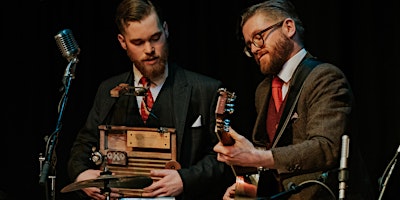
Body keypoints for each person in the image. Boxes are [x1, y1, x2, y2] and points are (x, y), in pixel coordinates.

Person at [66, 0, 234, 199]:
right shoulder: (108, 90)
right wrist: (82, 174)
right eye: (138, 42)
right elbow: (84, 144)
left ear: (166, 30)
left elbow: (225, 156)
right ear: (122, 42)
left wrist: (185, 179)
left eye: (156, 38)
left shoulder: (205, 89)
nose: (149, 49)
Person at [213, 0, 374, 199]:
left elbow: (326, 147)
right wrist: (245, 189)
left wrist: (257, 157)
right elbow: (265, 155)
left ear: (288, 27)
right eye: (249, 45)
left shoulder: (325, 77)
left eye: (259, 37)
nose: (254, 49)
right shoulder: (263, 90)